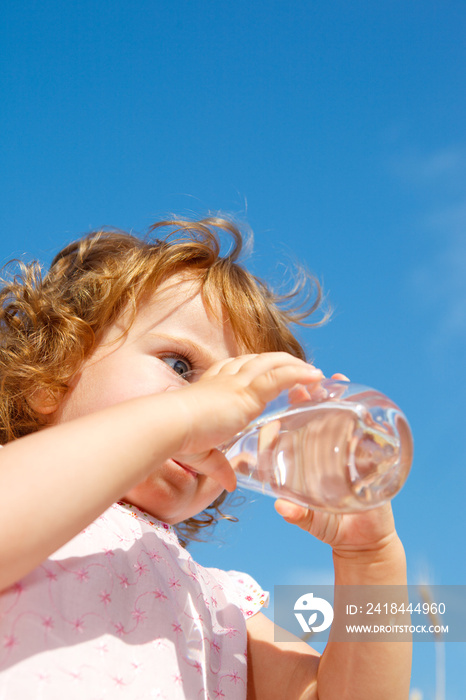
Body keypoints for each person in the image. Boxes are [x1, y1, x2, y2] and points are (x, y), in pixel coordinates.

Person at [0, 216, 411, 699]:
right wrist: (183, 414)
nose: (219, 408)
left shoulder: (225, 603)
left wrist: (371, 560)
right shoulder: (21, 482)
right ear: (56, 371)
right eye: (180, 365)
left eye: (242, 411)